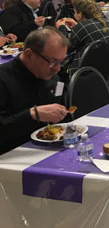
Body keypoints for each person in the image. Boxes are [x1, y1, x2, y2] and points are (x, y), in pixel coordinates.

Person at [0, 27, 70, 155]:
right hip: (10, 157)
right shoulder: (3, 79)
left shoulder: (53, 78)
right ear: (29, 54)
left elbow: (62, 107)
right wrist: (32, 115)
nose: (57, 69)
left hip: (47, 150)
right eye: (52, 62)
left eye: (61, 61)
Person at [56, 0, 109, 69]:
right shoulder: (107, 21)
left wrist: (61, 28)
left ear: (80, 14)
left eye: (75, 12)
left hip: (87, 71)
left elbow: (65, 48)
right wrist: (77, 26)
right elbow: (90, 32)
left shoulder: (82, 27)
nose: (74, 15)